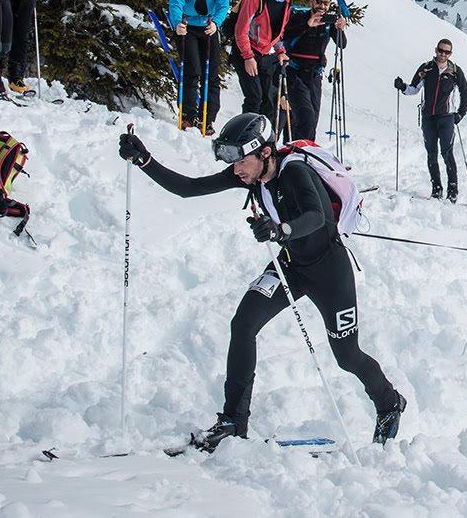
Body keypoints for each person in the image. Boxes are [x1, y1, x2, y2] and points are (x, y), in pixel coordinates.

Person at [117, 113, 406, 451]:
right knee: (243, 324)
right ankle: (233, 422)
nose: (236, 168)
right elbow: (189, 188)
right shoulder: (251, 175)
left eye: (241, 159)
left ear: (265, 152)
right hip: (290, 266)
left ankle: (389, 403)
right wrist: (143, 159)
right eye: (231, 159)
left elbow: (316, 216)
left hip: (330, 270)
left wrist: (280, 229)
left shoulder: (295, 171)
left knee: (347, 355)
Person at [394, 39, 467, 202]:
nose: (443, 54)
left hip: (447, 118)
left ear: (450, 54)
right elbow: (413, 89)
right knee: (431, 153)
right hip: (428, 117)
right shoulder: (426, 68)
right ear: (436, 50)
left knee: (447, 152)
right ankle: (436, 188)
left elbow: (465, 92)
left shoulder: (455, 71)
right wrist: (402, 86)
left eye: (447, 52)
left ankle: (453, 189)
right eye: (441, 50)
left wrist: (461, 113)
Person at [168, 0, 230, 134]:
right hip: (187, 27)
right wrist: (178, 22)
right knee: (192, 70)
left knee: (211, 74)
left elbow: (223, 4)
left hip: (208, 27)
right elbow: (176, 2)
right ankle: (188, 115)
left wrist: (216, 23)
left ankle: (208, 118)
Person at [283, 0, 347, 141]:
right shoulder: (299, 17)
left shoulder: (329, 22)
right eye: (319, 2)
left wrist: (340, 29)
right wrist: (307, 25)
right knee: (306, 116)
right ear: (312, 1)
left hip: (315, 75)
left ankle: (302, 151)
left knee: (312, 118)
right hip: (294, 73)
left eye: (326, 3)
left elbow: (342, 44)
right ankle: (296, 153)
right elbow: (285, 36)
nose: (322, 6)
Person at [232, 0, 293, 119]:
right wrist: (248, 56)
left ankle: (262, 139)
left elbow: (278, 32)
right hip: (245, 52)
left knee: (269, 101)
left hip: (264, 54)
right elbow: (241, 30)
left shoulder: (287, 0)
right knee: (254, 98)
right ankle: (244, 136)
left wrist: (280, 50)